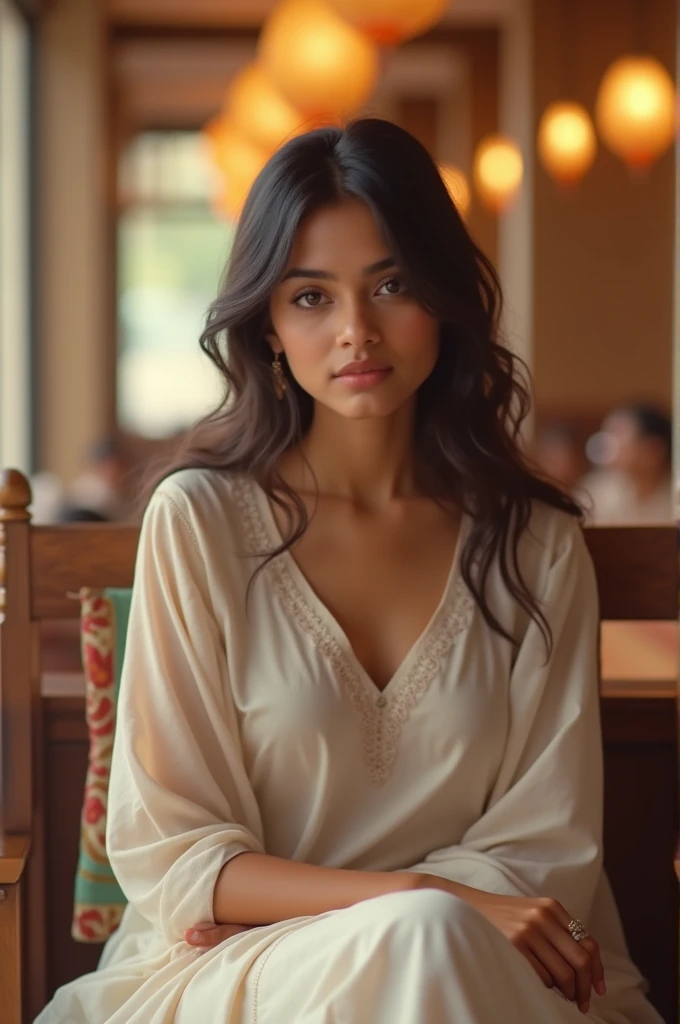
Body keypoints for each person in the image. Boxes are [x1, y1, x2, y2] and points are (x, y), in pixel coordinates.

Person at [37, 119, 662, 1024]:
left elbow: (547, 846)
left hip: (493, 965)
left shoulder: (535, 543)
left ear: (444, 301)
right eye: (312, 298)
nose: (357, 331)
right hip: (245, 972)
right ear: (268, 326)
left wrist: (433, 917)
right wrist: (416, 897)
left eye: (392, 284)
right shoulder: (201, 523)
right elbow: (177, 859)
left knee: (430, 945)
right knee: (422, 936)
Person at [581, 404, 673, 525]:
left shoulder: (675, 496)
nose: (608, 444)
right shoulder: (594, 493)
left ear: (654, 449)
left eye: (618, 434)